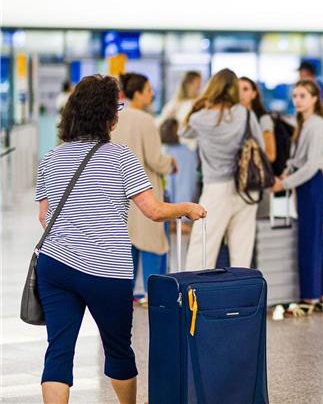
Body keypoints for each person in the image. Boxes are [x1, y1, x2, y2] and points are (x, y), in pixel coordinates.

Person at [35, 75, 205, 404]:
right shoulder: (120, 157)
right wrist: (185, 208)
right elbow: (153, 211)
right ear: (108, 116)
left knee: (58, 351)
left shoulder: (51, 157)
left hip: (55, 267)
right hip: (105, 271)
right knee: (117, 350)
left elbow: (44, 217)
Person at [182, 68, 265, 270]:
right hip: (246, 187)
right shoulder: (245, 114)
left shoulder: (199, 118)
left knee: (203, 248)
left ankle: (194, 296)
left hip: (215, 189)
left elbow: (183, 132)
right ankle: (240, 297)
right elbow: (260, 148)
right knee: (242, 250)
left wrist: (197, 107)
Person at [112, 73, 177, 306]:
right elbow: (155, 159)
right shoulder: (145, 120)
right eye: (148, 90)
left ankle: (122, 296)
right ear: (137, 93)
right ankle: (154, 295)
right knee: (152, 244)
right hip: (145, 191)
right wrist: (171, 163)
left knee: (127, 249)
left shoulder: (114, 117)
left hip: (120, 193)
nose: (152, 94)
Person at [273, 80, 323, 316]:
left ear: (314, 99)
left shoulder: (316, 124)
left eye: (303, 96)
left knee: (309, 241)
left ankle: (308, 298)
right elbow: (300, 159)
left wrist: (285, 182)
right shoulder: (304, 122)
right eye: (295, 96)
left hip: (312, 186)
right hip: (306, 185)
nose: (297, 100)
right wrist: (288, 168)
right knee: (315, 240)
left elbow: (313, 164)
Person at [161, 118, 198, 234]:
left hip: (168, 212)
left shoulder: (162, 152)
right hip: (187, 211)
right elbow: (191, 183)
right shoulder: (189, 153)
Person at [239, 76, 277, 163]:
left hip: (254, 173)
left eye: (245, 89)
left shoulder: (263, 119)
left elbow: (270, 155)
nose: (240, 93)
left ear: (254, 94)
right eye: (236, 89)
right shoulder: (232, 118)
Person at [156, 71, 202, 139]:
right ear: (189, 83)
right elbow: (161, 121)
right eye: (197, 82)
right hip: (179, 141)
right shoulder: (175, 103)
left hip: (192, 140)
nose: (200, 85)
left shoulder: (200, 102)